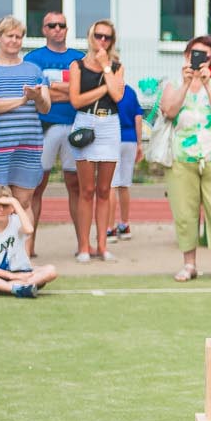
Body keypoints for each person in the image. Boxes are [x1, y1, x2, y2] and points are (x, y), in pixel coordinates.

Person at [160, 35, 211, 283]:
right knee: (185, 213)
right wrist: (186, 84)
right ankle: (189, 264)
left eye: (205, 56)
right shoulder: (173, 84)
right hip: (182, 158)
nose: (198, 59)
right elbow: (168, 111)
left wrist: (207, 84)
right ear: (186, 56)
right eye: (194, 54)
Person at [0, 15, 51, 216]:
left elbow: (45, 108)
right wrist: (23, 100)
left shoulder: (34, 70)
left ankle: (24, 239)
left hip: (27, 147)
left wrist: (37, 97)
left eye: (18, 36)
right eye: (9, 36)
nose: (14, 40)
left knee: (24, 202)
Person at [23, 11, 83, 257]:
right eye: (52, 25)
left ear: (67, 29)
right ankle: (29, 247)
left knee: (76, 187)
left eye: (62, 25)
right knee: (36, 187)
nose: (57, 29)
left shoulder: (79, 58)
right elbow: (33, 94)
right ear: (44, 29)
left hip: (75, 126)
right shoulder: (32, 59)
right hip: (43, 127)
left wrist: (51, 89)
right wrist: (70, 91)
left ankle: (83, 246)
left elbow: (83, 92)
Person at [68, 19, 125, 263]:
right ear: (90, 37)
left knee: (104, 190)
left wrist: (105, 67)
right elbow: (76, 101)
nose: (102, 41)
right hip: (85, 122)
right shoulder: (78, 65)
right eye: (98, 36)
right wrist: (102, 89)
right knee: (86, 190)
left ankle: (102, 245)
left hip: (109, 123)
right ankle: (84, 246)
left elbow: (118, 95)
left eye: (107, 37)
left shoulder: (116, 66)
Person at [105, 70, 144, 243]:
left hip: (112, 138)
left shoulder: (107, 91)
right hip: (130, 140)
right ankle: (125, 224)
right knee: (124, 185)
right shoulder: (130, 92)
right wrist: (139, 143)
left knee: (111, 185)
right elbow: (138, 118)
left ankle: (110, 227)